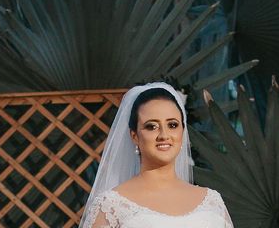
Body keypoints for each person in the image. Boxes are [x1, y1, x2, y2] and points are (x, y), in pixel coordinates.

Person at [80, 82, 233, 228]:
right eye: (151, 126)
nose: (164, 135)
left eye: (172, 125)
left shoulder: (212, 202)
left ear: (183, 131)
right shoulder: (111, 205)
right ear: (134, 136)